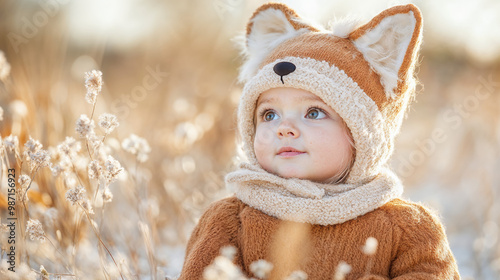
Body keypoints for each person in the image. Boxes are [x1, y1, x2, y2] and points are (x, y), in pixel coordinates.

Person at [179, 3, 460, 279]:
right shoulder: (230, 220)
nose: (284, 128)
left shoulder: (407, 229)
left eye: (314, 113)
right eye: (269, 114)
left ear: (363, 136)